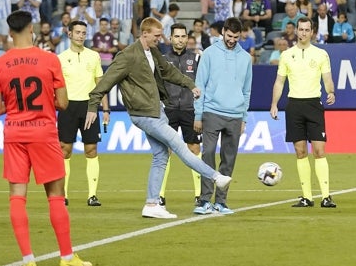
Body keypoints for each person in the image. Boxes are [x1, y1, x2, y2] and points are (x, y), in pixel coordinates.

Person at [84, 17, 232, 218]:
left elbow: (168, 71)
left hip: (155, 110)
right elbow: (106, 82)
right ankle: (215, 177)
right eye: (156, 35)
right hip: (143, 113)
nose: (159, 39)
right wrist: (94, 106)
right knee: (179, 146)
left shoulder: (152, 52)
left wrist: (190, 85)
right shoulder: (127, 56)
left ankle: (152, 204)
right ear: (144, 34)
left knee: (161, 155)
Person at [0, 11, 91, 266]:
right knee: (56, 195)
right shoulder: (50, 60)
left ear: (10, 33)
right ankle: (67, 258)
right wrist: (47, 102)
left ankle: (28, 260)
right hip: (43, 133)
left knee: (17, 196)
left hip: (14, 132)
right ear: (32, 29)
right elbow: (64, 102)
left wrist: (13, 106)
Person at [270, 17, 336, 208]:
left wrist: (331, 91)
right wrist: (274, 104)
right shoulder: (286, 55)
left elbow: (327, 78)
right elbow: (280, 82)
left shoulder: (321, 54)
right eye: (301, 29)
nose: (304, 33)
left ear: (312, 32)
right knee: (300, 152)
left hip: (314, 104)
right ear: (296, 31)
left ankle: (326, 196)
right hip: (294, 106)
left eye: (307, 30)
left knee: (319, 151)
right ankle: (307, 197)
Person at [192, 17, 252, 215]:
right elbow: (199, 85)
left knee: (229, 159)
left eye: (236, 37)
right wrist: (198, 114)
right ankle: (203, 201)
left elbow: (246, 91)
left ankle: (221, 202)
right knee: (207, 154)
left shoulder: (245, 58)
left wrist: (243, 117)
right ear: (223, 32)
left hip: (235, 115)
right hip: (211, 111)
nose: (232, 40)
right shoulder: (209, 54)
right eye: (229, 35)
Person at [57, 20, 109, 207]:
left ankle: (92, 195)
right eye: (77, 32)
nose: (81, 35)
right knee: (65, 150)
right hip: (67, 107)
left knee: (91, 149)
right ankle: (62, 195)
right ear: (69, 34)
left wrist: (105, 109)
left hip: (89, 107)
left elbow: (100, 84)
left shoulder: (94, 56)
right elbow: (56, 86)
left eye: (83, 32)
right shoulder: (60, 58)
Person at [159, 23, 203, 207]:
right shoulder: (161, 59)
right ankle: (160, 194)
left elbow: (202, 86)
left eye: (183, 36)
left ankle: (200, 195)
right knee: (164, 151)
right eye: (176, 36)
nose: (180, 40)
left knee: (194, 149)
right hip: (168, 110)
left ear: (187, 38)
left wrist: (200, 111)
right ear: (170, 38)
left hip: (189, 110)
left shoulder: (197, 59)